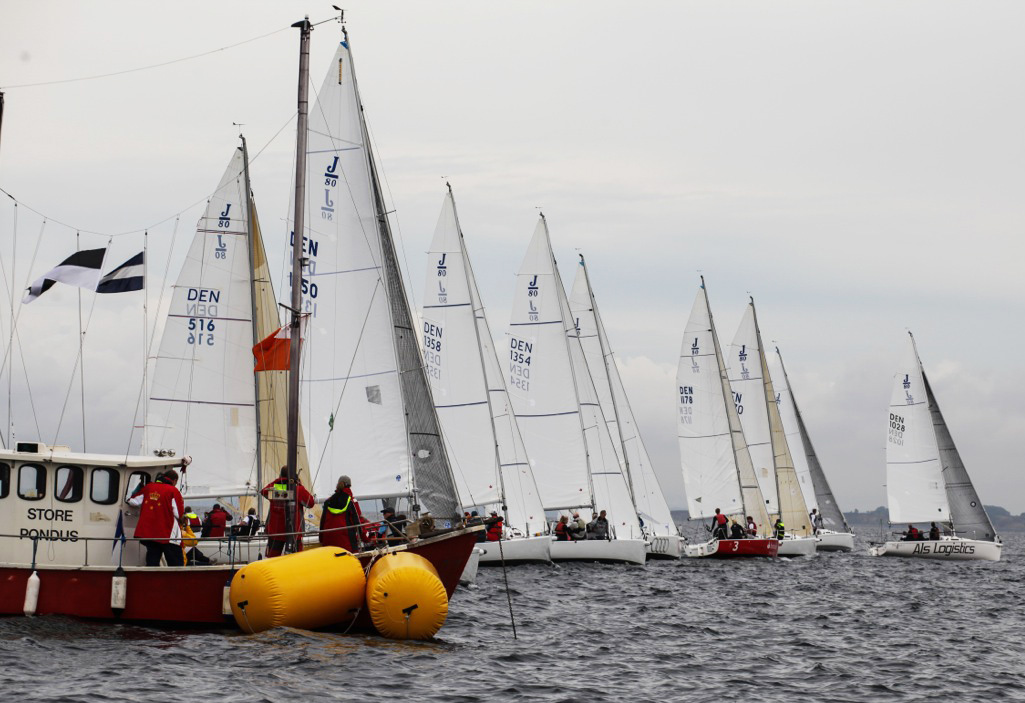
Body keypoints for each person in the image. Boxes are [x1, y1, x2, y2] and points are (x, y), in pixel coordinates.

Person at [128, 469, 185, 567]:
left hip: (150, 534)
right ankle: (176, 581)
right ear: (174, 480)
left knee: (152, 562)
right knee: (176, 564)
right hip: (168, 534)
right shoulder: (173, 491)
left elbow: (132, 501)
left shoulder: (148, 488)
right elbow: (179, 514)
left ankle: (151, 580)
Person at [261, 466, 316, 558]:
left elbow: (263, 492)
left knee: (272, 559)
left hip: (276, 531)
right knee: (296, 560)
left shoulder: (275, 488)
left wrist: (278, 481)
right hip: (294, 531)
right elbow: (310, 503)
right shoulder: (298, 490)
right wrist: (298, 484)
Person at [320, 474, 366, 552]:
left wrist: (321, 539)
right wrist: (364, 538)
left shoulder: (328, 501)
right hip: (346, 541)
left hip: (328, 540)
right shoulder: (350, 500)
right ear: (349, 486)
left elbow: (322, 521)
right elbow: (356, 521)